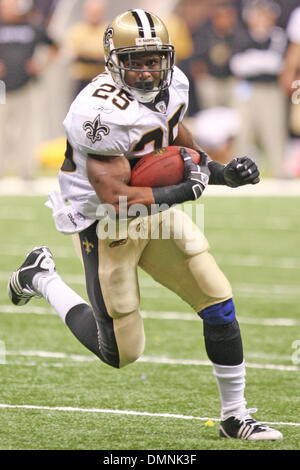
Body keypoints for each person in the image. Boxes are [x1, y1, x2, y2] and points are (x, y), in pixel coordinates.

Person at [8, 9, 282, 441]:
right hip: (104, 220)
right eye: (136, 59)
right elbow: (114, 196)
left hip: (150, 210)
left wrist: (219, 171)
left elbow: (173, 135)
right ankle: (40, 277)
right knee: (120, 353)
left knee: (218, 298)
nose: (147, 69)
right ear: (113, 60)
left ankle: (235, 414)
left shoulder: (174, 86)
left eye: (154, 59)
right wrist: (181, 192)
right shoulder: (96, 113)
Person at [0, 0, 59, 180]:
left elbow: (55, 46)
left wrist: (40, 65)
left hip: (26, 86)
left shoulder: (31, 27)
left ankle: (26, 170)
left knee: (27, 129)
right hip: (1, 87)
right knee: (1, 128)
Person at [229, 0, 288, 178]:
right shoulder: (241, 35)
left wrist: (253, 59)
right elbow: (237, 65)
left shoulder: (278, 36)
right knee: (242, 130)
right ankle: (238, 171)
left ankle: (280, 170)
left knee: (274, 130)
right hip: (246, 89)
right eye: (258, 14)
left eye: (265, 14)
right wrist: (260, 60)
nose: (262, 19)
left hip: (270, 90)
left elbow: (277, 64)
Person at [64, 0, 107, 98]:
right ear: (85, 12)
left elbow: (109, 54)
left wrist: (88, 53)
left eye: (97, 12)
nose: (94, 15)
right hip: (82, 80)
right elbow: (74, 53)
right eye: (92, 12)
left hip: (103, 81)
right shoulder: (77, 30)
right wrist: (97, 55)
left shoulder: (108, 30)